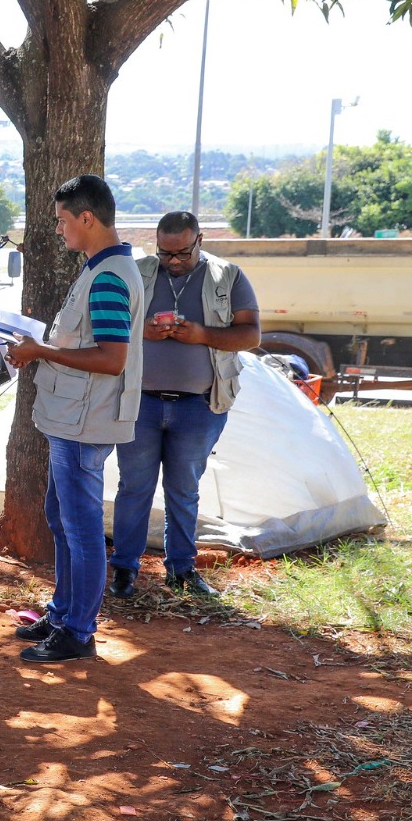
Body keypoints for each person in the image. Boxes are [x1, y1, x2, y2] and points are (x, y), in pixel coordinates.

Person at [6, 175, 145, 664]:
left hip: (85, 422)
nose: (60, 230)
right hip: (73, 418)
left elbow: (111, 359)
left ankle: (78, 632)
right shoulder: (102, 269)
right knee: (61, 519)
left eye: (65, 221)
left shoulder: (107, 277)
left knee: (81, 529)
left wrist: (40, 349)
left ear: (88, 218)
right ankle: (64, 613)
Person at [109, 210, 260, 598]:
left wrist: (201, 335)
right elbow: (106, 325)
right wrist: (142, 331)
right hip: (140, 403)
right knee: (134, 488)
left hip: (199, 405)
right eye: (165, 253)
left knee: (184, 489)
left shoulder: (227, 276)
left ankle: (181, 569)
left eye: (183, 253)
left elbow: (250, 335)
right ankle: (124, 569)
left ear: (200, 240)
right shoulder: (138, 271)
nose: (174, 261)